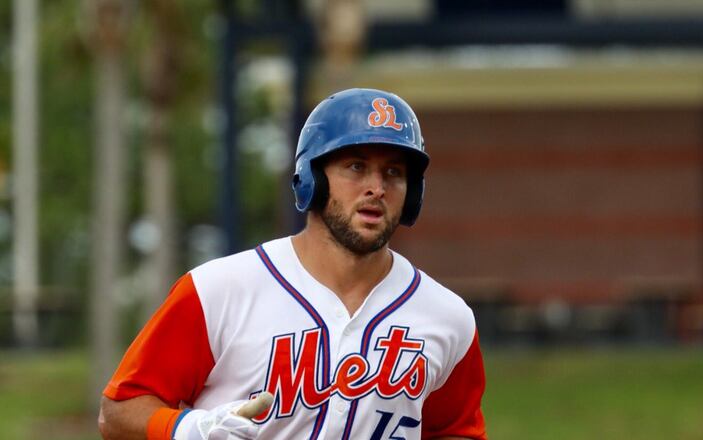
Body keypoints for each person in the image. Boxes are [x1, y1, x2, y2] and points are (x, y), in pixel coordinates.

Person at [98, 88, 487, 440]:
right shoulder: (217, 291)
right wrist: (185, 430)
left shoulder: (448, 317)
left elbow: (455, 430)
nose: (377, 187)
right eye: (355, 166)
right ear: (312, 178)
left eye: (394, 172)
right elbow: (118, 411)